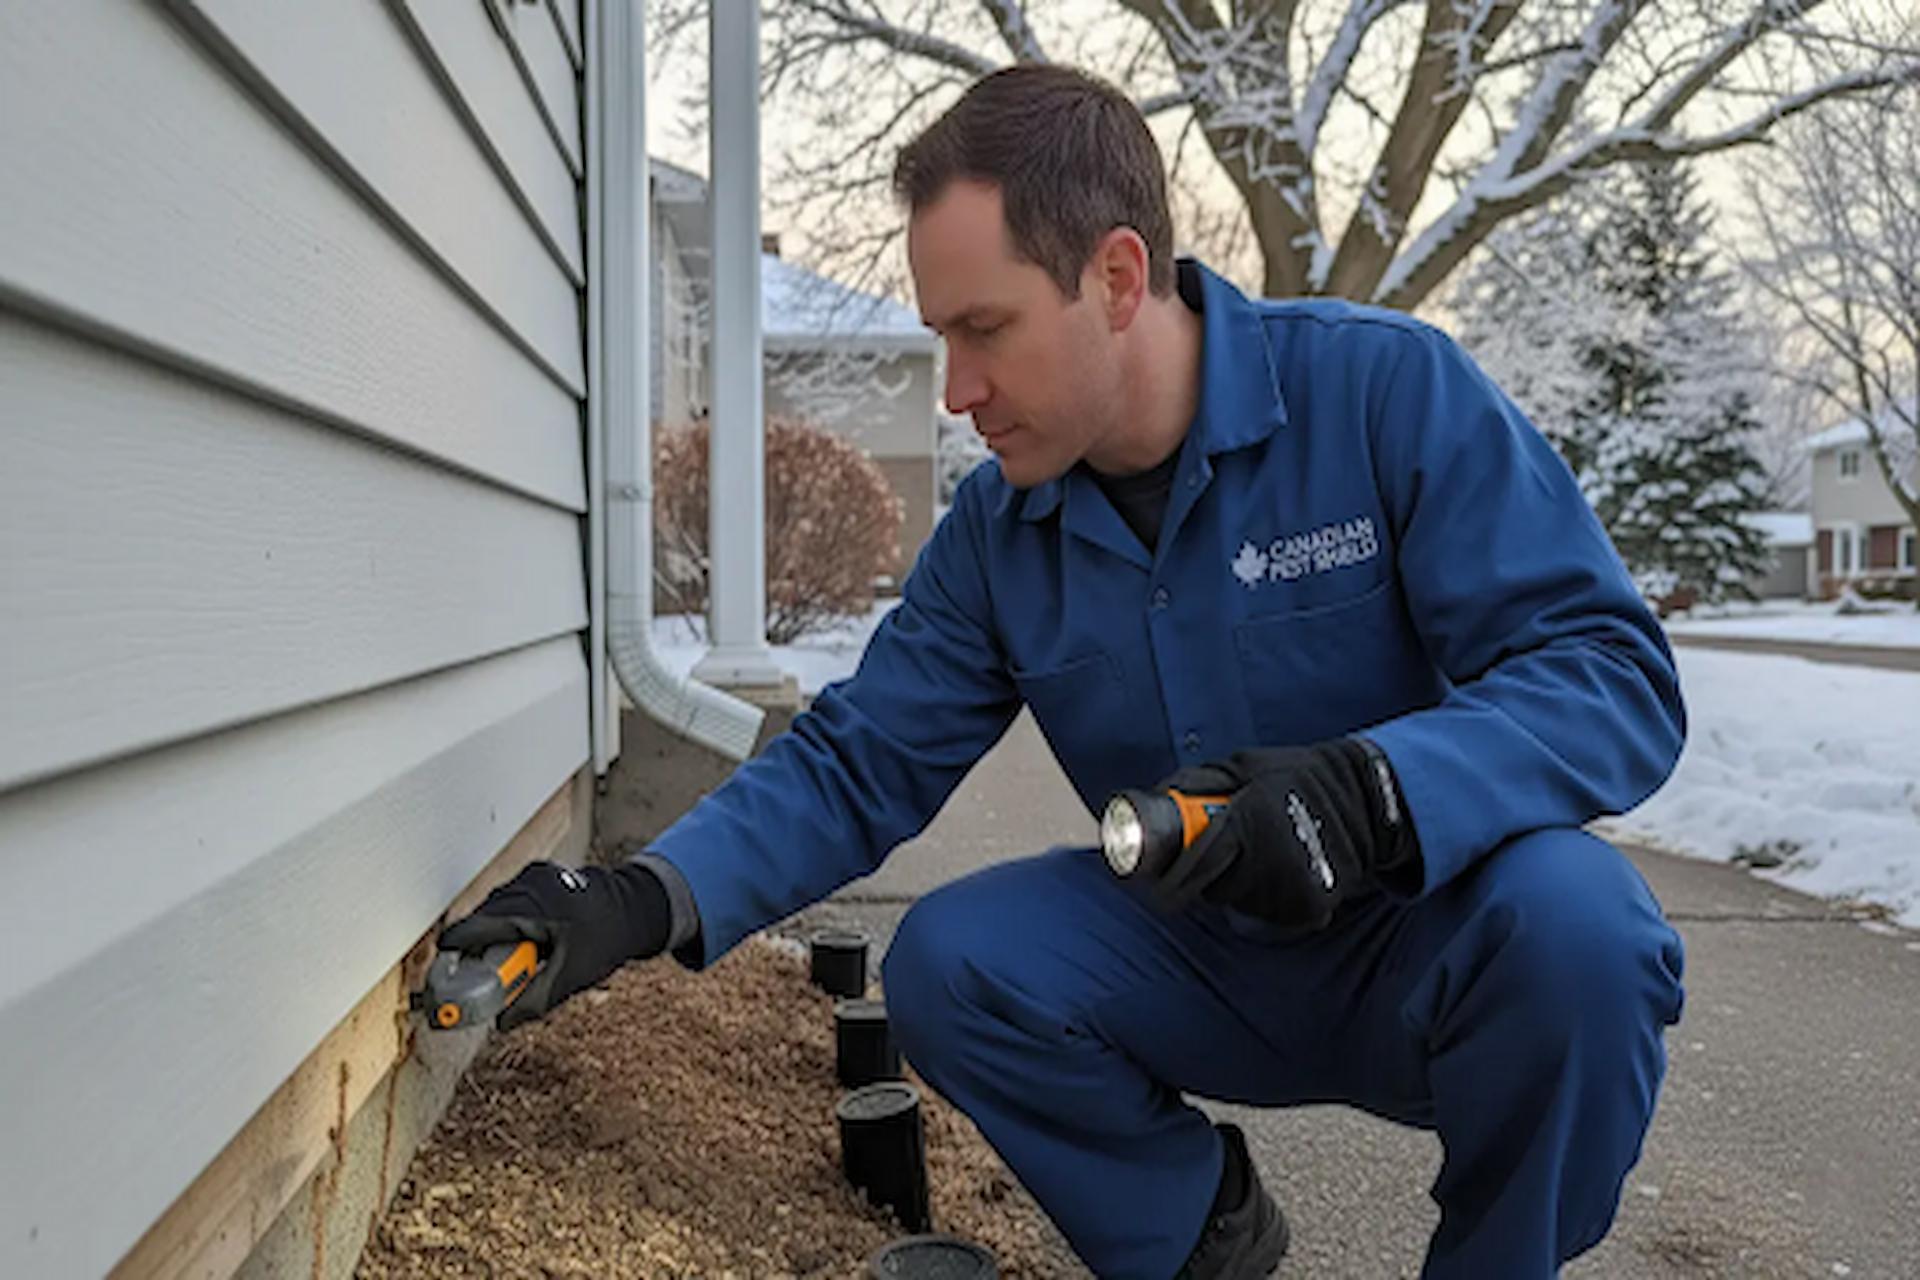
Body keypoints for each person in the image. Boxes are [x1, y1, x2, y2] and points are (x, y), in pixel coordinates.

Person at [437, 65, 1688, 1279]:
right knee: (951, 962)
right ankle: (1199, 1235)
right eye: (941, 338)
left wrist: (1375, 790)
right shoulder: (999, 533)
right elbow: (858, 761)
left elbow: (1612, 673)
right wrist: (640, 898)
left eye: (986, 328)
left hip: (1427, 943)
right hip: (1200, 955)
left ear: (1118, 275)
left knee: (1586, 927)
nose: (958, 390)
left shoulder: (1382, 393)